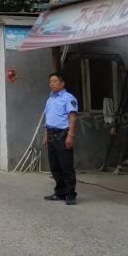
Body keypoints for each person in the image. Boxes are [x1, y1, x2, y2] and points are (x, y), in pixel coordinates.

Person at [42, 71, 78, 205]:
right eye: (50, 82)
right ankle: (60, 192)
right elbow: (48, 118)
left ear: (62, 83)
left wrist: (70, 136)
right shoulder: (50, 99)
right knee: (55, 166)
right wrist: (46, 135)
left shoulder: (68, 98)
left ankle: (70, 194)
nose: (51, 84)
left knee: (66, 166)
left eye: (54, 81)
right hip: (51, 134)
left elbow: (73, 117)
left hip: (63, 135)